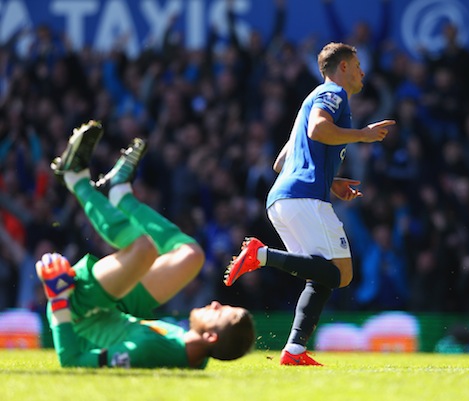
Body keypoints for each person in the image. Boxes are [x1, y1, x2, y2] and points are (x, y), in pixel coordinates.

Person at [223, 42, 395, 365]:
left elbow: (280, 163)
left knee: (322, 276)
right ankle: (261, 254)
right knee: (341, 274)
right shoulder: (333, 93)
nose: (362, 72)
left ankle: (294, 350)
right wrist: (362, 134)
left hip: (281, 199)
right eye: (358, 65)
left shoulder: (309, 101)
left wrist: (330, 181)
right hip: (303, 197)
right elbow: (318, 130)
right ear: (342, 67)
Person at [38, 120, 255, 368]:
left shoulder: (146, 350)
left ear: (211, 337)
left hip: (79, 313)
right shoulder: (194, 356)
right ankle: (119, 194)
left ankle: (75, 178)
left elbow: (72, 362)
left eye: (219, 312)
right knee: (191, 255)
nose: (216, 304)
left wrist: (58, 299)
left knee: (144, 249)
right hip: (120, 311)